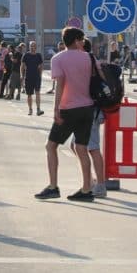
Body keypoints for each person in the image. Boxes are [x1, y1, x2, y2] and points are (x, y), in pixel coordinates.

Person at [34, 27, 95, 202]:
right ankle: (86, 189)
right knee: (82, 148)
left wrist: (56, 109)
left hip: (68, 108)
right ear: (76, 40)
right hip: (88, 107)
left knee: (51, 146)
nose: (83, 42)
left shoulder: (58, 59)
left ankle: (53, 186)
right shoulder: (89, 58)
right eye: (82, 39)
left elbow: (60, 84)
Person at [71, 38, 108, 198]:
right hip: (87, 109)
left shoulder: (86, 61)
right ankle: (93, 181)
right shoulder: (92, 61)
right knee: (75, 145)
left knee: (93, 148)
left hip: (90, 110)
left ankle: (100, 185)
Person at [21, 41, 44, 116]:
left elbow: (41, 66)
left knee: (37, 92)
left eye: (34, 46)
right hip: (28, 77)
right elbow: (22, 66)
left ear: (36, 47)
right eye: (31, 46)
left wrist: (40, 75)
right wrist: (22, 75)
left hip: (37, 77)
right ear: (29, 47)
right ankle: (30, 109)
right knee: (29, 94)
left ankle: (38, 109)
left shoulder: (38, 55)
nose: (32, 47)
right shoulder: (26, 55)